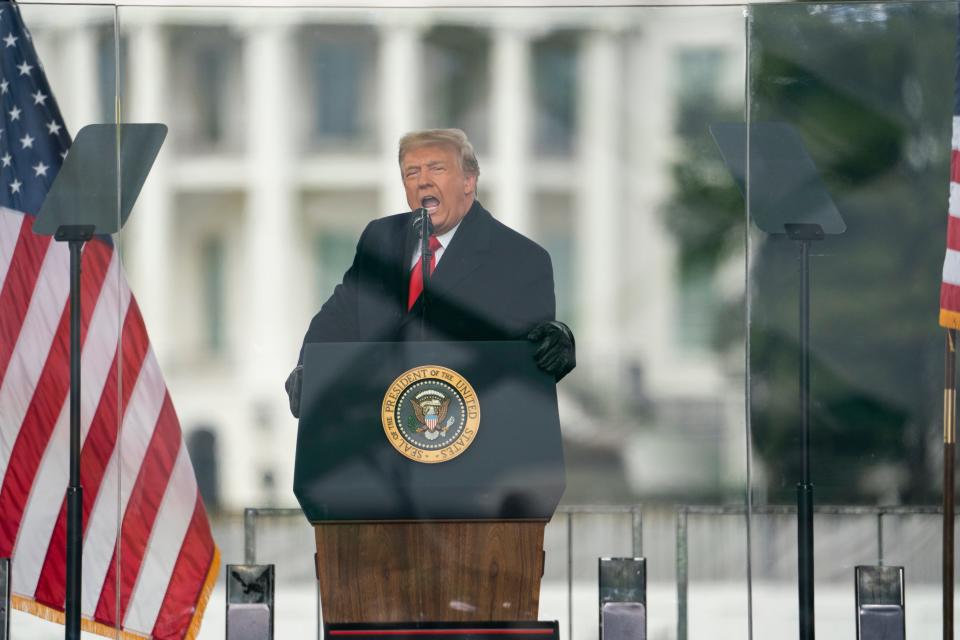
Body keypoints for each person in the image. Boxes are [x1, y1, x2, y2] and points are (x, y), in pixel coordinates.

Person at [285, 128, 574, 417]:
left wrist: (556, 341)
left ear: (468, 181)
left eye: (437, 169)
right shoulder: (380, 238)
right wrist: (308, 369)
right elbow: (338, 318)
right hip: (376, 435)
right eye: (412, 173)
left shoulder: (520, 258)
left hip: (471, 437)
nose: (423, 181)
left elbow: (533, 352)